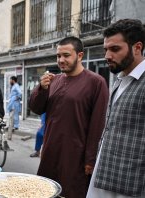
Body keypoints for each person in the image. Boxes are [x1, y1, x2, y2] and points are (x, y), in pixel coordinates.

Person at [29, 36, 109, 198]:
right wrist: (41, 89)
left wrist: (90, 159)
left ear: (79, 56)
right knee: (46, 191)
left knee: (72, 192)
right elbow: (36, 108)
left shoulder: (96, 82)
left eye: (66, 55)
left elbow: (97, 124)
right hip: (50, 152)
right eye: (58, 56)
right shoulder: (53, 81)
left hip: (76, 156)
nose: (61, 60)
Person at [87, 19, 145, 197]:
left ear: (137, 47)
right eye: (106, 49)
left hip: (132, 183)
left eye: (115, 49)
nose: (107, 56)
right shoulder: (120, 80)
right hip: (105, 174)